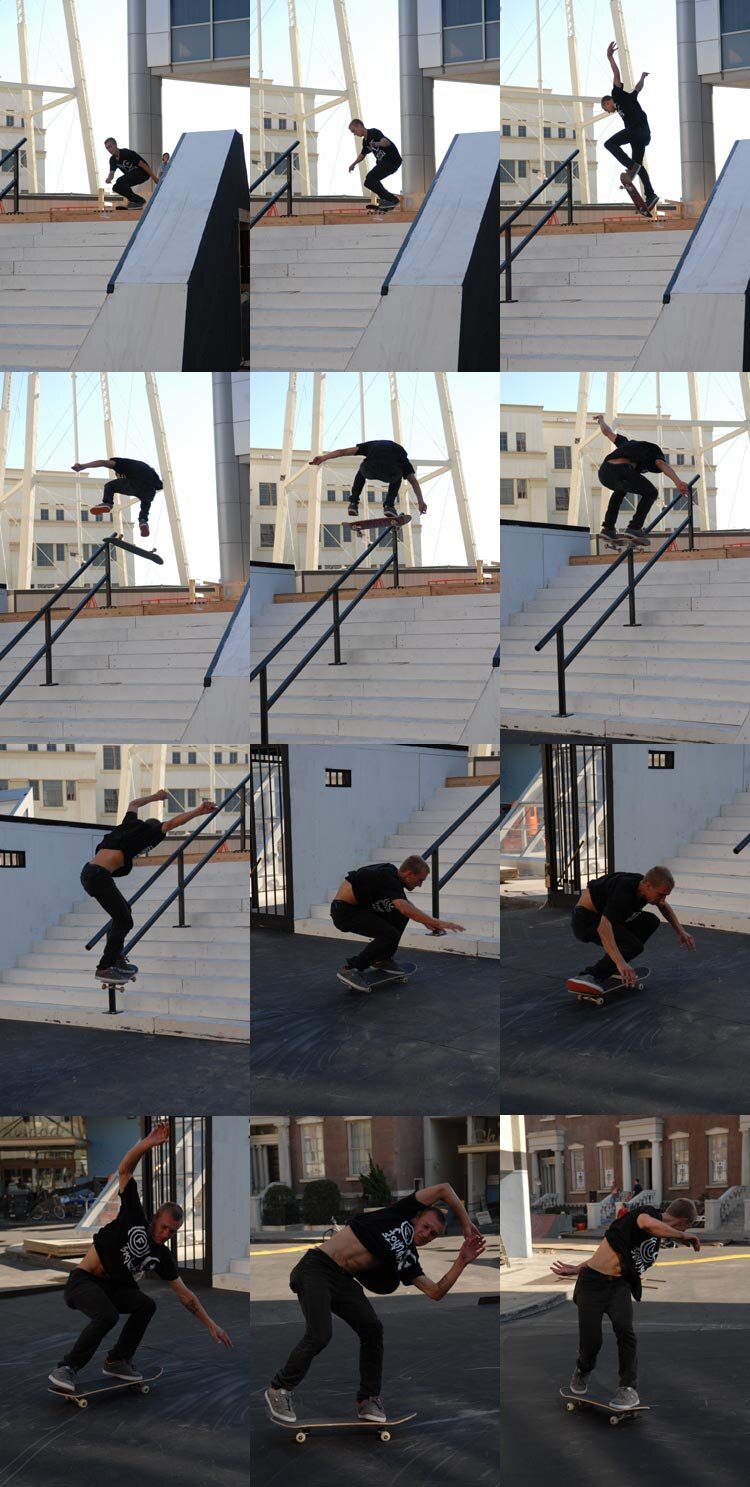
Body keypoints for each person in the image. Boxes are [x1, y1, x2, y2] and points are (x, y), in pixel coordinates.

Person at [264, 1182, 486, 1424]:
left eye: (433, 1234)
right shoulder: (397, 1214)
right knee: (320, 1334)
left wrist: (461, 1261)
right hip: (317, 1267)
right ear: (416, 1217)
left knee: (372, 1329)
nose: (426, 1235)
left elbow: (435, 1292)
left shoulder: (408, 1258)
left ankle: (368, 1399)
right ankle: (279, 1388)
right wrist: (466, 1224)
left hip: (342, 1279)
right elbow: (444, 1189)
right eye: (425, 1227)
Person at [48, 1121, 232, 1394]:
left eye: (172, 1231)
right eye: (164, 1227)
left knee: (146, 1305)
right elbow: (124, 1170)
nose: (166, 1234)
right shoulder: (133, 1214)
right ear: (155, 1217)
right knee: (107, 1316)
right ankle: (67, 1367)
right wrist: (147, 1144)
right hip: (84, 1282)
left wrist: (211, 1324)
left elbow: (185, 1294)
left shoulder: (161, 1256)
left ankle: (117, 1360)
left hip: (114, 1288)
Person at [550, 1197, 699, 1409]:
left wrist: (576, 1267)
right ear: (684, 1222)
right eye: (686, 1228)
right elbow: (647, 1224)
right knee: (591, 1341)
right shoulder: (647, 1213)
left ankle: (628, 1388)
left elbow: (612, 1252)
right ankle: (583, 1369)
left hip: (618, 1286)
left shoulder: (656, 1241)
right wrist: (683, 1235)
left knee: (625, 1331)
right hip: (592, 1283)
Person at [80, 790, 216, 984]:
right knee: (124, 921)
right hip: (99, 876)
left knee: (123, 913)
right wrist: (198, 811)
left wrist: (156, 797)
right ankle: (104, 967)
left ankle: (116, 958)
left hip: (91, 873)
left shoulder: (129, 824)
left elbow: (134, 803)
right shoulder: (148, 833)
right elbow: (172, 823)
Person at [332, 855, 465, 991]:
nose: (420, 885)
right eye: (420, 880)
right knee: (389, 934)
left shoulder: (391, 875)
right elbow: (403, 907)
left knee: (399, 916)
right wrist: (435, 922)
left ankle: (382, 959)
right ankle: (352, 968)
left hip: (360, 908)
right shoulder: (388, 878)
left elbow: (404, 903)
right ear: (409, 874)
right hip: (343, 912)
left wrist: (425, 921)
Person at [567, 865, 696, 996]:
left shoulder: (644, 885)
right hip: (585, 921)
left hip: (605, 917)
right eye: (661, 895)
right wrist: (620, 962)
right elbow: (603, 928)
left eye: (666, 895)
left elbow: (663, 905)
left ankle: (612, 967)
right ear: (648, 886)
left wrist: (680, 931)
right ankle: (589, 975)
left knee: (650, 921)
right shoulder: (623, 893)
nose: (662, 899)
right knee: (633, 946)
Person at [594, 415, 689, 548]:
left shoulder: (625, 443)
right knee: (651, 492)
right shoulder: (654, 450)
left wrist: (601, 420)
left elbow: (607, 432)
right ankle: (634, 527)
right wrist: (677, 482)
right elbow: (661, 463)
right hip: (621, 470)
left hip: (604, 472)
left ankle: (608, 529)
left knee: (621, 489)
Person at [309, 440, 426, 523]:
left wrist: (323, 458)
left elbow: (343, 452)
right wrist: (421, 502)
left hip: (370, 469)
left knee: (361, 471)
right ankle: (389, 506)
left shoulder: (371, 446)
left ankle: (353, 503)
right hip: (391, 473)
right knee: (399, 475)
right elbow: (414, 483)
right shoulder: (403, 458)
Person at [601, 42, 659, 212]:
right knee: (639, 166)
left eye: (606, 108)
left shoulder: (616, 94)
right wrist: (642, 78)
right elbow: (638, 88)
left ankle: (630, 166)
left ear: (608, 102)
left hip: (636, 130)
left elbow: (616, 74)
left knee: (609, 144)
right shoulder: (630, 97)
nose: (608, 111)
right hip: (643, 135)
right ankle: (651, 195)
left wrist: (610, 57)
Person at [72, 454, 164, 538]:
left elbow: (103, 463)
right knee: (146, 501)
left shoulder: (120, 463)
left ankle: (107, 503)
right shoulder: (148, 470)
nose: (119, 479)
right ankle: (143, 521)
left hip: (135, 484)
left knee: (110, 486)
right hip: (150, 491)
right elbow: (160, 486)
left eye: (118, 477)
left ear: (119, 473)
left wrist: (83, 466)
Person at [348, 120, 402, 209]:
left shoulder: (373, 132)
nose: (354, 134)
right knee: (368, 182)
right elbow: (362, 154)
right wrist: (354, 164)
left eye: (353, 131)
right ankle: (387, 200)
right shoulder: (365, 142)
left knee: (371, 177)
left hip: (392, 160)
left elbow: (386, 142)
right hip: (384, 163)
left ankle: (392, 200)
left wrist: (376, 144)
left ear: (359, 126)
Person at [104, 137, 158, 207]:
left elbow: (143, 165)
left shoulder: (126, 153)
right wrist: (109, 178)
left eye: (110, 147)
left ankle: (136, 200)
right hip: (132, 176)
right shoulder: (112, 160)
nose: (109, 150)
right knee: (116, 187)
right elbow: (111, 173)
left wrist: (154, 178)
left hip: (143, 173)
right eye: (107, 148)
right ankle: (138, 200)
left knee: (120, 180)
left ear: (115, 145)